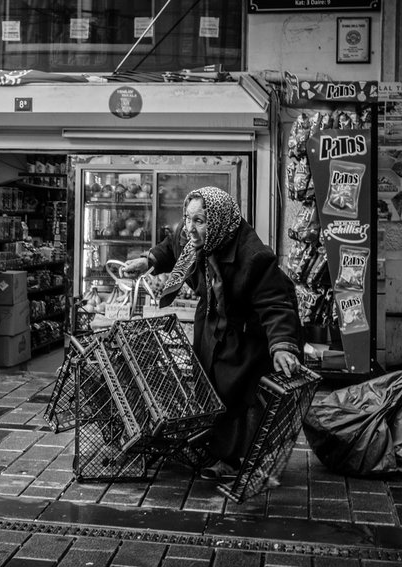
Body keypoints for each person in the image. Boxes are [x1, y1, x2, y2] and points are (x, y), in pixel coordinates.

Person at [120, 186, 303, 480]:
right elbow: (172, 246)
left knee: (234, 392)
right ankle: (214, 447)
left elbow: (276, 303)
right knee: (208, 385)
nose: (190, 228)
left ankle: (232, 459)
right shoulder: (190, 235)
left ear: (217, 222)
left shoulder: (254, 256)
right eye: (188, 218)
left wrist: (282, 345)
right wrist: (149, 261)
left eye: (200, 221)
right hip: (211, 322)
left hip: (245, 332)